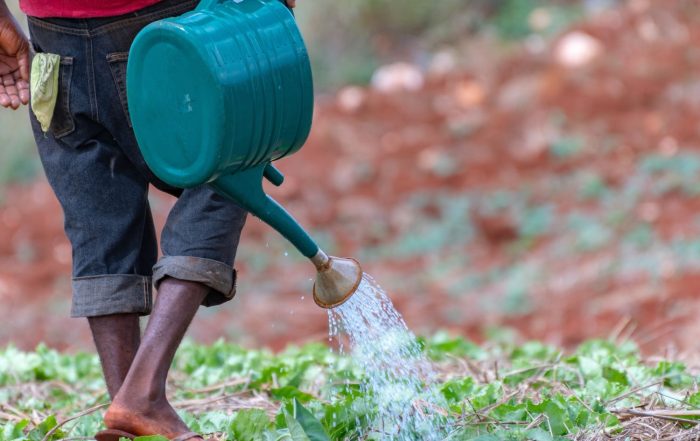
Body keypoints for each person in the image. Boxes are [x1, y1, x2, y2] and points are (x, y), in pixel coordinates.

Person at [0, 0, 297, 439]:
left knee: (98, 220)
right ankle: (142, 396)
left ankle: (129, 411)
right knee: (229, 169)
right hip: (166, 23)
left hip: (54, 39)